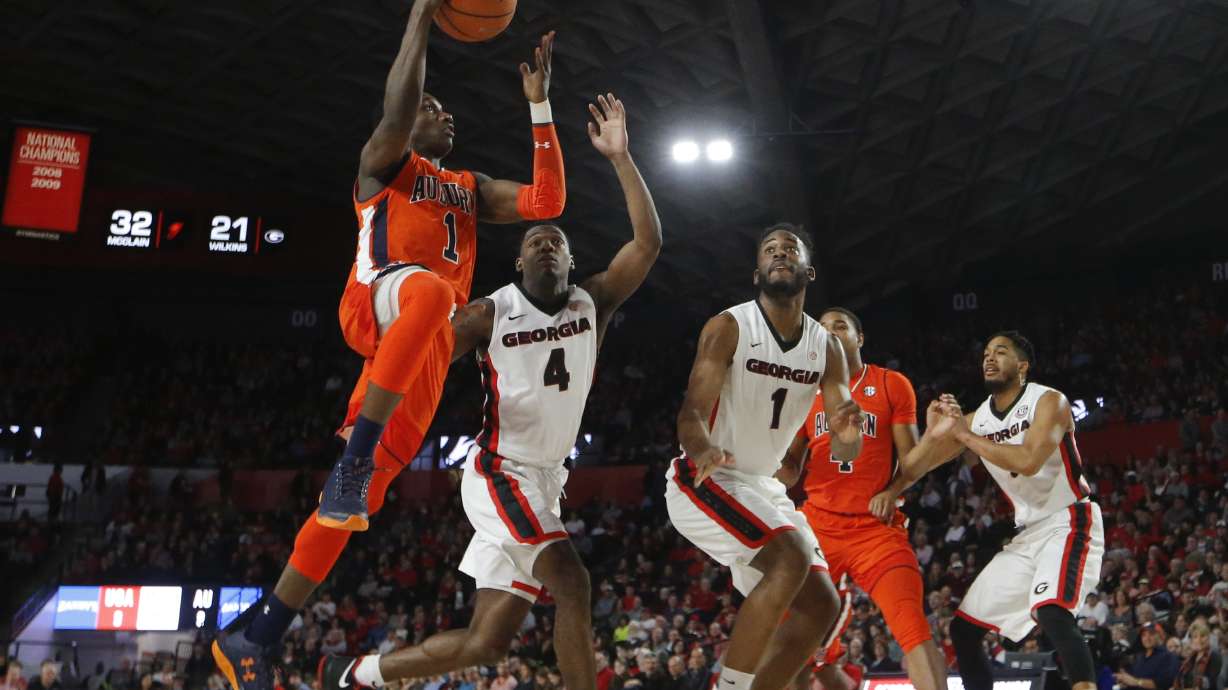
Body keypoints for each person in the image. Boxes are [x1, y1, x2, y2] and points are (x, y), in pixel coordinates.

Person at [212, 0, 566, 686]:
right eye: (432, 108)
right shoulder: (383, 165)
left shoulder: (470, 188)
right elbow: (398, 109)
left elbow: (547, 201)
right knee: (431, 291)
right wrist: (423, 18)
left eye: (444, 109)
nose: (443, 114)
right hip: (376, 300)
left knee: (353, 509)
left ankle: (255, 636)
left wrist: (540, 106)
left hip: (421, 351)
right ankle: (356, 457)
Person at [318, 93, 660, 690]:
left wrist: (621, 157)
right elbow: (413, 363)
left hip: (546, 479)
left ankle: (354, 674)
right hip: (501, 472)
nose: (545, 244)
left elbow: (648, 243)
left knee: (487, 642)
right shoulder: (487, 314)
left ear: (572, 260)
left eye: (556, 241)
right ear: (518, 262)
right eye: (534, 241)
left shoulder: (594, 303)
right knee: (573, 582)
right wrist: (365, 425)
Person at [664, 224, 863, 690]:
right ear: (757, 273)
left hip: (763, 488)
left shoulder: (826, 346)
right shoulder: (729, 327)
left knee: (823, 605)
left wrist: (847, 433)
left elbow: (844, 447)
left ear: (808, 272)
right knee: (790, 558)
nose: (779, 253)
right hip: (706, 477)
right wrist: (703, 449)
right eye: (770, 249)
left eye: (790, 249)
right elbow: (691, 412)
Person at [903, 331, 1105, 690]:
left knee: (1053, 612)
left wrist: (964, 436)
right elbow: (916, 466)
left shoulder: (1049, 401)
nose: (989, 358)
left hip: (1069, 520)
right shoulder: (978, 419)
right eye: (986, 353)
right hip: (1027, 534)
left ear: (1022, 366)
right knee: (963, 629)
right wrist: (933, 435)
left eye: (1000, 352)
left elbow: (1028, 461)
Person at [777, 307, 947, 690]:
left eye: (840, 326)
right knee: (793, 639)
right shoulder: (803, 394)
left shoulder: (891, 384)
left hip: (875, 529)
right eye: (822, 328)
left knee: (912, 626)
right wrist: (759, 459)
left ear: (860, 338)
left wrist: (892, 490)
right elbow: (789, 471)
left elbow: (912, 460)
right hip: (818, 526)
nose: (830, 332)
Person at [1116, 623, 1179, 690]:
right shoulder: (1139, 657)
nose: (1147, 638)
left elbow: (1163, 684)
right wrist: (1124, 681)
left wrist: (1136, 682)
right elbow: (1131, 680)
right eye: (1143, 635)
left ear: (1160, 635)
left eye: (1151, 634)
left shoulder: (1168, 657)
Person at [1175, 621, 1220, 690]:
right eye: (1195, 637)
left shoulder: (1214, 656)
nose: (1199, 640)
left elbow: (1213, 683)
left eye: (1203, 636)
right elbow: (1182, 678)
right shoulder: (1190, 658)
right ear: (1191, 641)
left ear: (1208, 637)